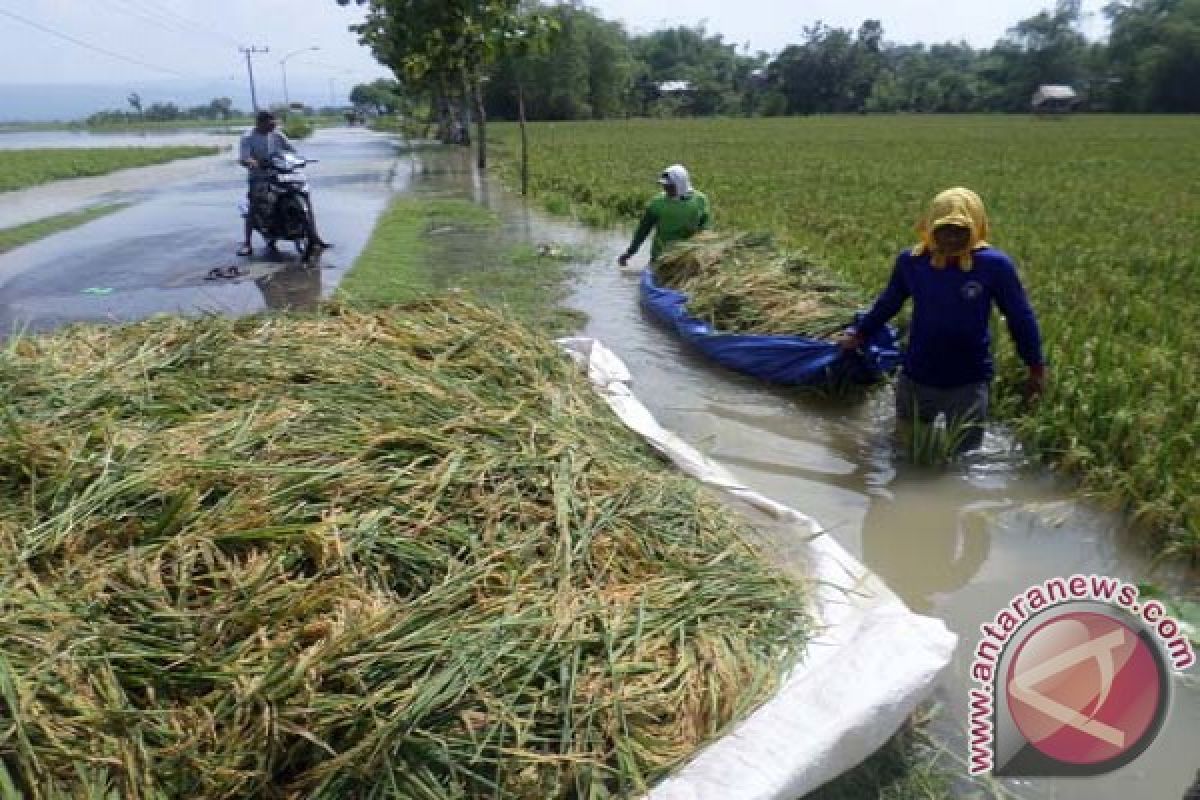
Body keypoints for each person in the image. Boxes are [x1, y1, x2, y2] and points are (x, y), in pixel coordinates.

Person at [838, 187, 1045, 452]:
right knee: (905, 452)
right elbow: (888, 303)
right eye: (944, 229)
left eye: (961, 231)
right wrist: (860, 333)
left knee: (964, 458)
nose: (951, 238)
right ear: (930, 227)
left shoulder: (994, 266)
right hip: (917, 376)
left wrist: (1035, 366)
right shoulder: (913, 262)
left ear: (976, 227)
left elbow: (1020, 317)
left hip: (968, 381)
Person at [237, 110, 329, 257]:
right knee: (254, 204)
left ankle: (315, 236)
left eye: (274, 123)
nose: (273, 127)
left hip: (281, 173)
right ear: (260, 123)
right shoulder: (248, 137)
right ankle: (247, 244)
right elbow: (244, 157)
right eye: (270, 124)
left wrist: (299, 159)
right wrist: (252, 162)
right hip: (259, 176)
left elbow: (292, 151)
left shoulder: (278, 135)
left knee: (305, 197)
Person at [617, 164, 710, 267]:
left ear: (681, 184)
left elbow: (705, 230)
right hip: (660, 257)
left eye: (670, 186)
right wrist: (630, 252)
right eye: (664, 185)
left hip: (687, 257)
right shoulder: (657, 203)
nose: (666, 188)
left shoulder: (700, 201)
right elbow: (643, 230)